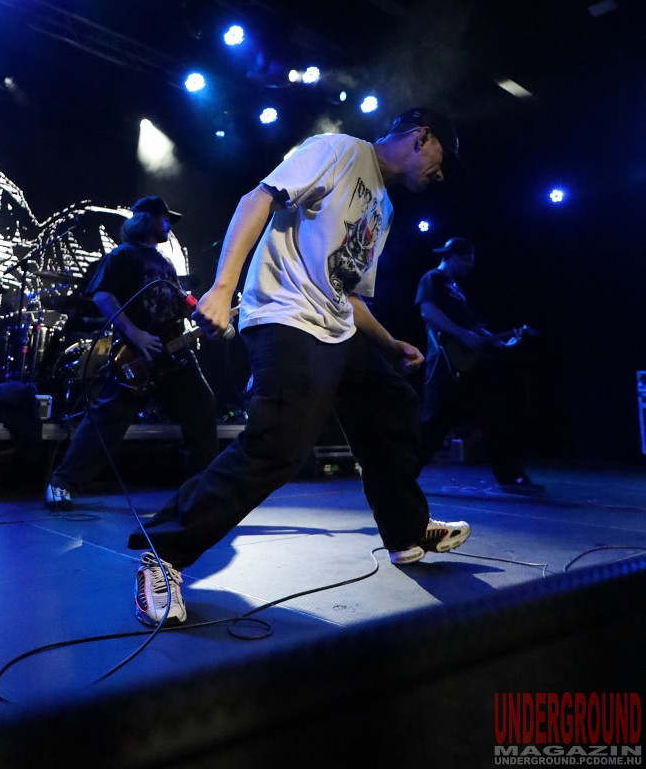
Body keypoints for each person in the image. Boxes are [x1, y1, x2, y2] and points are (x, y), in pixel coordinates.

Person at [127, 109, 472, 627]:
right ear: (422, 137)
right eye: (442, 161)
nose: (440, 176)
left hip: (334, 324)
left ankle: (406, 531)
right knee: (279, 444)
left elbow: (347, 292)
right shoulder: (340, 151)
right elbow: (257, 199)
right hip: (286, 316)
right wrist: (223, 287)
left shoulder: (383, 207)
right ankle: (164, 550)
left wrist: (387, 345)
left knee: (391, 404)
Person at [45, 196, 218, 509]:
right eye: (165, 218)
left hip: (173, 354)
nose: (169, 224)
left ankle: (202, 489)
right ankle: (62, 483)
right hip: (136, 355)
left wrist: (202, 316)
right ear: (147, 219)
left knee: (202, 407)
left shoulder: (165, 262)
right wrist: (135, 334)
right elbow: (102, 296)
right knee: (107, 421)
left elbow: (178, 303)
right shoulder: (123, 255)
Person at [415, 236, 544, 494]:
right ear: (453, 257)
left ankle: (510, 476)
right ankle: (402, 474)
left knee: (495, 417)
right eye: (467, 259)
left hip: (471, 365)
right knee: (433, 424)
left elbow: (475, 330)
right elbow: (428, 311)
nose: (470, 265)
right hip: (445, 363)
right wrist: (462, 334)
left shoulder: (457, 289)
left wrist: (502, 343)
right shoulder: (433, 278)